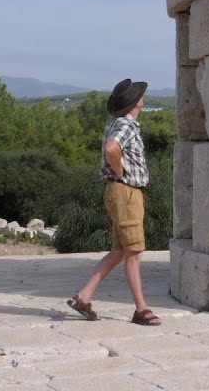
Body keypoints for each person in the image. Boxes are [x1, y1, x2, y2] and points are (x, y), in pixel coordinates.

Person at [67, 78, 162, 326]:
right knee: (134, 252)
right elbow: (112, 148)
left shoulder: (115, 122)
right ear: (135, 102)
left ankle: (83, 297)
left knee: (120, 251)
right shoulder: (126, 125)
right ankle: (141, 309)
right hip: (126, 191)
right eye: (139, 94)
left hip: (119, 192)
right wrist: (120, 171)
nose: (142, 96)